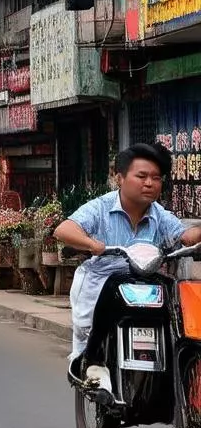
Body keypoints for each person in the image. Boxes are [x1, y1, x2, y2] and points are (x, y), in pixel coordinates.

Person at [53, 142, 201, 397]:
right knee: (94, 322)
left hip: (145, 282)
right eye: (141, 176)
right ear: (119, 178)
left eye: (156, 178)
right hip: (101, 280)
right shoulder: (100, 207)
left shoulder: (159, 214)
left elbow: (185, 236)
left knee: (175, 308)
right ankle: (90, 360)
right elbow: (63, 229)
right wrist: (91, 244)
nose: (149, 183)